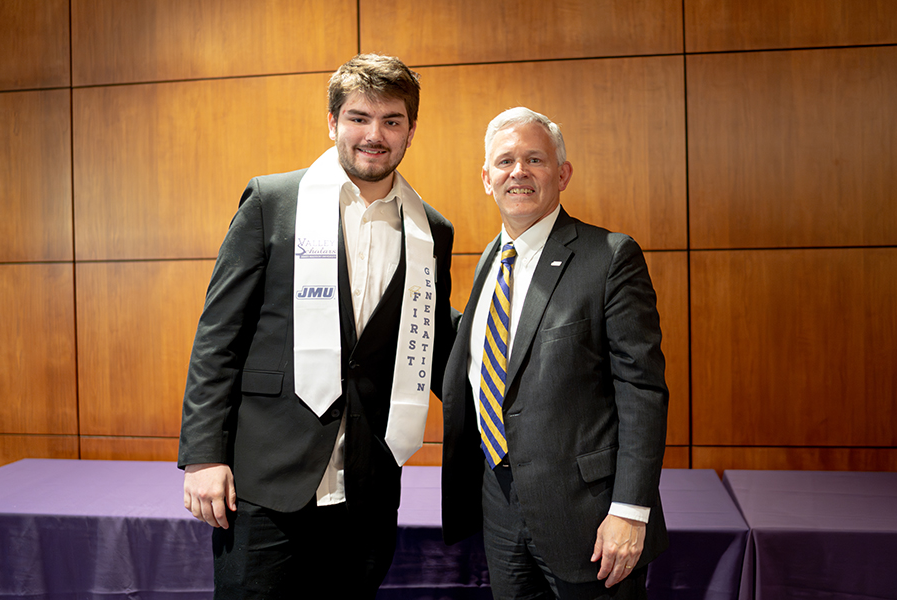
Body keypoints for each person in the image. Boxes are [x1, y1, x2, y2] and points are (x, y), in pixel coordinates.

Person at [178, 54, 455, 599]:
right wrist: (205, 455)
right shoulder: (273, 201)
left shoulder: (431, 231)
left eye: (392, 121)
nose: (374, 135)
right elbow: (219, 335)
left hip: (369, 486)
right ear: (332, 123)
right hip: (266, 483)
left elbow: (432, 343)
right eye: (358, 118)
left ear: (411, 130)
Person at [440, 107, 669, 599]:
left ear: (562, 174)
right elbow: (482, 365)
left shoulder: (609, 257)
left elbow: (642, 392)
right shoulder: (489, 260)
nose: (517, 172)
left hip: (590, 517)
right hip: (499, 510)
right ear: (486, 178)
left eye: (534, 160)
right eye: (504, 162)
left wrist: (630, 511)